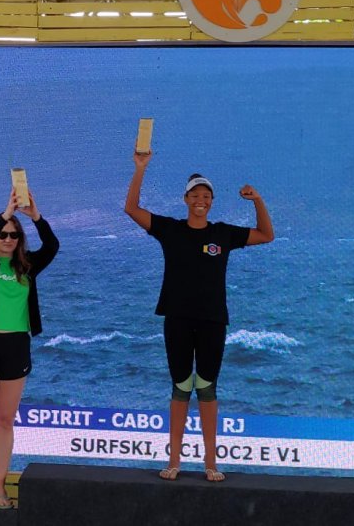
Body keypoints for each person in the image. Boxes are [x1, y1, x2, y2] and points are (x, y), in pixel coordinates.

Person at [125, 151, 274, 483]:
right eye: (195, 196)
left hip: (212, 321)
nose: (200, 201)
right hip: (177, 318)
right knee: (180, 387)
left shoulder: (223, 234)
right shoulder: (170, 229)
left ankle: (210, 463)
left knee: (206, 388)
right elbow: (131, 209)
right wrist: (140, 168)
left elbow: (266, 235)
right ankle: (174, 461)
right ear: (185, 199)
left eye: (206, 196)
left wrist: (258, 200)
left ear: (212, 201)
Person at [0, 189, 59, 509]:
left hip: (16, 346)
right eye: (2, 234)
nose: (7, 239)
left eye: (13, 235)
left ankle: (0, 487)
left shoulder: (27, 266)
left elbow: (52, 246)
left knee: (5, 420)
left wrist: (36, 216)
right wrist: (5, 214)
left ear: (20, 240)